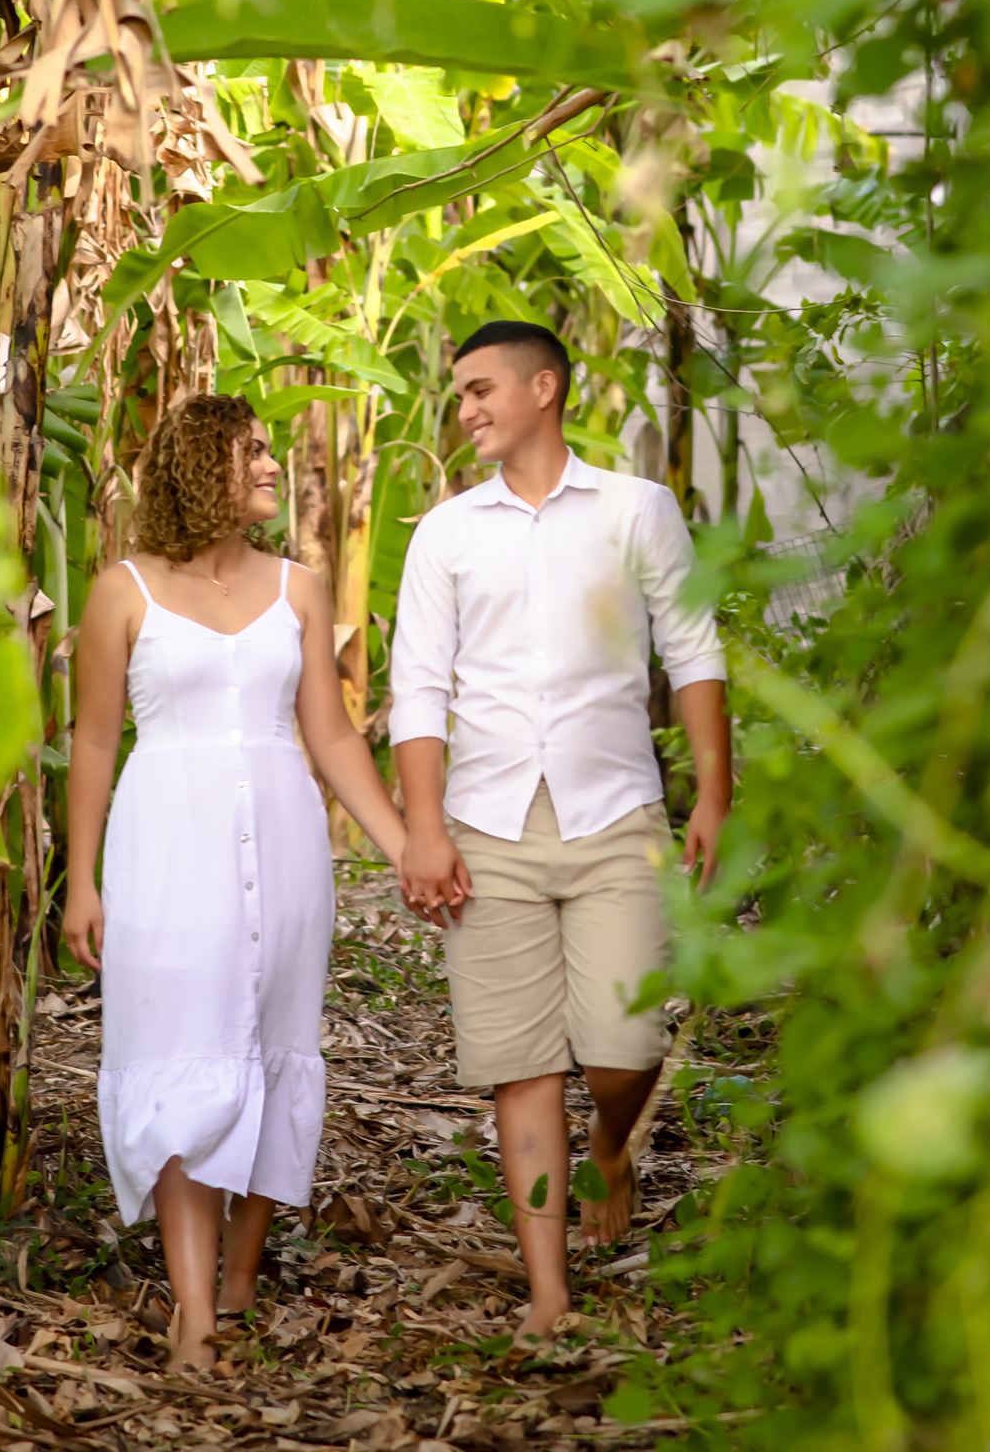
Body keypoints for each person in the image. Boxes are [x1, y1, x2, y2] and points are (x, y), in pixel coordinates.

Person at [390, 320, 730, 1341]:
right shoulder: (445, 533)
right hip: (487, 824)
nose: (466, 410)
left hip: (615, 810)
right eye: (460, 394)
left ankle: (611, 1145)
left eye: (481, 389)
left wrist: (714, 794)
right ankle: (549, 1295)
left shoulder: (637, 509)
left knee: (626, 1047)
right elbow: (419, 689)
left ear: (545, 388)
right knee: (523, 1066)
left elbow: (692, 648)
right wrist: (422, 828)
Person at [65, 395, 406, 1373]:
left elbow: (330, 734)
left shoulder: (301, 587)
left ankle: (241, 1280)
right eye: (249, 450)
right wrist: (81, 879)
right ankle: (195, 1315)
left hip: (285, 843)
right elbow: (94, 741)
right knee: (182, 1053)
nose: (269, 464)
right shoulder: (122, 590)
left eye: (267, 448)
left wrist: (402, 845)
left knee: (272, 1046)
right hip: (166, 843)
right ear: (195, 465)